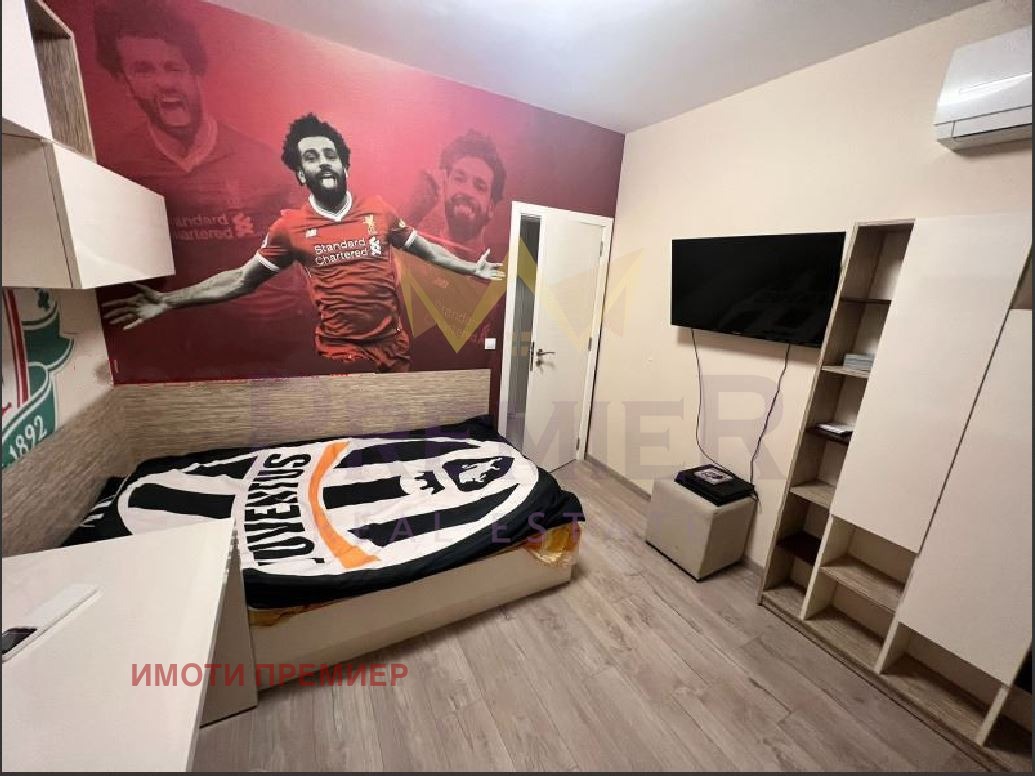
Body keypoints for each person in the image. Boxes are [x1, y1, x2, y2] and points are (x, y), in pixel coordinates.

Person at [103, 114, 504, 373]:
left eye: (329, 156)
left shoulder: (380, 214)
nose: (323, 165)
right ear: (300, 172)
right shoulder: (291, 229)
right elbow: (240, 279)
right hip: (323, 361)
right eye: (311, 159)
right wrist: (170, 300)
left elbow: (423, 250)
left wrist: (470, 266)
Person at [93, 0, 309, 338]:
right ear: (124, 79)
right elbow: (242, 277)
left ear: (192, 72)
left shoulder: (265, 164)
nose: (164, 82)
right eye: (144, 69)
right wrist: (169, 300)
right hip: (190, 341)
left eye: (173, 67)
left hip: (289, 337)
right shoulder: (116, 165)